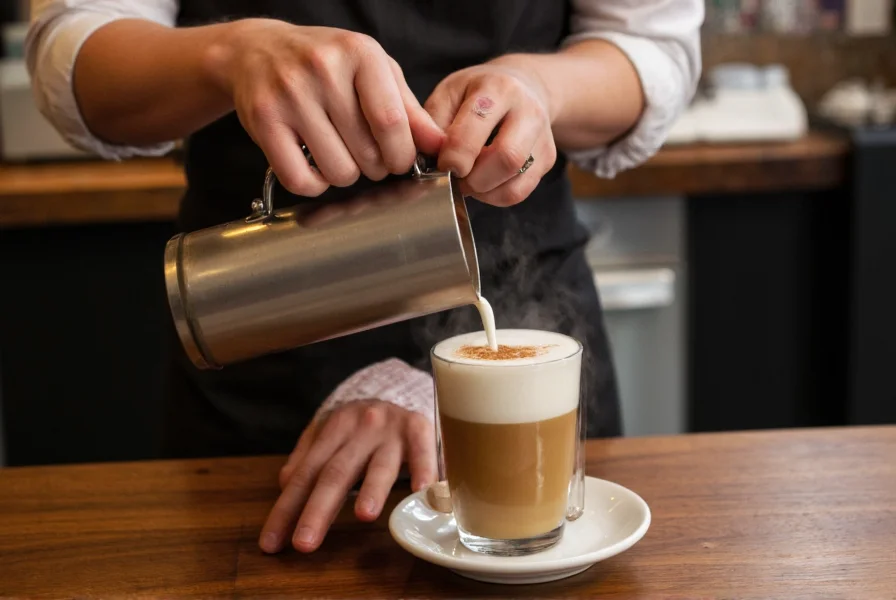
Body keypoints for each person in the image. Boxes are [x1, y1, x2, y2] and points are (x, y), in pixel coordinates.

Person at [27, 0, 702, 554]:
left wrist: (541, 87)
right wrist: (230, 55)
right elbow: (74, 51)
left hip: (521, 296)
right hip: (259, 335)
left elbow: (652, 50)